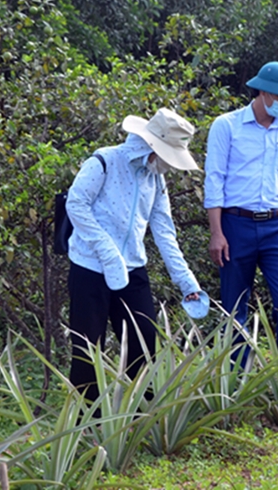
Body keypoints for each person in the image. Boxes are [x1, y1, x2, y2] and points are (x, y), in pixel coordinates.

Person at [65, 108, 209, 405]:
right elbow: (76, 204)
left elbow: (164, 231)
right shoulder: (104, 161)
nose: (171, 165)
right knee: (87, 348)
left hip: (133, 268)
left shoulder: (155, 178)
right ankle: (85, 425)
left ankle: (139, 421)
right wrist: (105, 249)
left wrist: (187, 282)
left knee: (144, 345)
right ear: (153, 146)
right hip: (90, 268)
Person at [203, 61, 278, 366]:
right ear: (262, 91)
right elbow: (215, 179)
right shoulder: (227, 126)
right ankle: (238, 378)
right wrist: (217, 232)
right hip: (236, 224)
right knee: (236, 305)